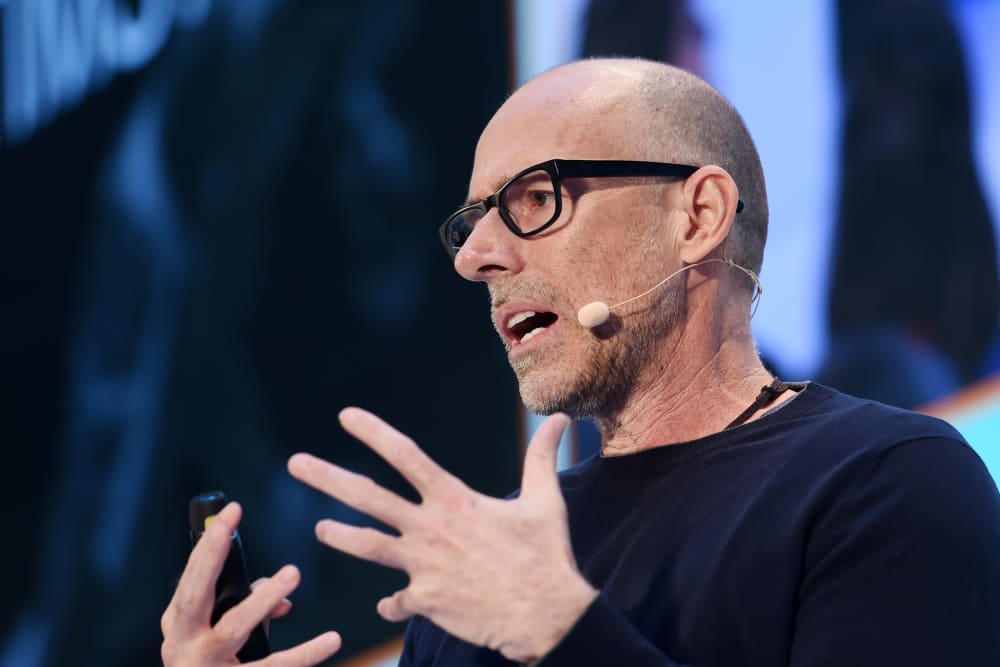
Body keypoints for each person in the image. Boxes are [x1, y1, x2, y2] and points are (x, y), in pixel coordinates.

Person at [160, 58, 1000, 666]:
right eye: (470, 223)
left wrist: (558, 631)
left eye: (533, 198)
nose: (476, 256)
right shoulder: (479, 576)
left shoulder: (887, 482)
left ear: (698, 214)